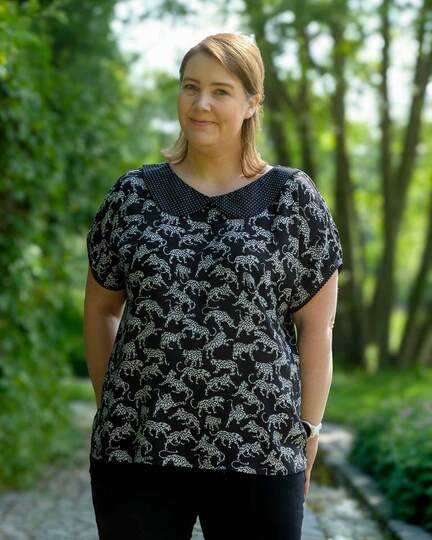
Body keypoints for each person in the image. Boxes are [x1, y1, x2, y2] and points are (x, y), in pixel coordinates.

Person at [83, 31, 343, 540]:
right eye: (190, 87)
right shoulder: (131, 196)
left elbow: (317, 327)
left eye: (220, 91)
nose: (200, 103)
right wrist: (113, 407)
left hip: (260, 452)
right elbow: (100, 310)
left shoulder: (294, 200)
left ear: (251, 103)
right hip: (137, 452)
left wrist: (307, 435)